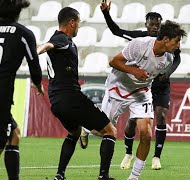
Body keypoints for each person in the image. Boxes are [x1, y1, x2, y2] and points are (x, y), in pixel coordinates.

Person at [79, 0, 182, 170]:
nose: (155, 27)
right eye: (152, 25)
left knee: (156, 120)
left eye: (158, 25)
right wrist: (106, 13)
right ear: (146, 25)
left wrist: (167, 73)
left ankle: (155, 158)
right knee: (108, 128)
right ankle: (93, 132)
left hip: (154, 84)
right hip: (125, 83)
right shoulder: (139, 40)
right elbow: (116, 31)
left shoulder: (169, 47)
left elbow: (177, 57)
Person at [36, 7, 116, 180]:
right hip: (71, 97)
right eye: (78, 23)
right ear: (72, 23)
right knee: (110, 131)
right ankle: (104, 176)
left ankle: (60, 174)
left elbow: (46, 45)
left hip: (56, 102)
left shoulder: (60, 40)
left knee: (73, 133)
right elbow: (47, 46)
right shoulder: (61, 39)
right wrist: (36, 52)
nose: (79, 27)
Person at [100, 20, 186, 180]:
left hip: (141, 92)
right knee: (102, 130)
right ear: (166, 39)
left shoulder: (167, 60)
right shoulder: (139, 44)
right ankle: (86, 128)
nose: (178, 46)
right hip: (118, 87)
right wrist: (133, 70)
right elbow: (114, 61)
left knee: (146, 133)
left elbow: (150, 77)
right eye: (177, 41)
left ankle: (134, 177)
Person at [0, 0, 44, 179]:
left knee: (14, 133)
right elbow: (34, 64)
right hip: (1, 93)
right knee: (1, 139)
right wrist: (38, 84)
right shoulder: (23, 33)